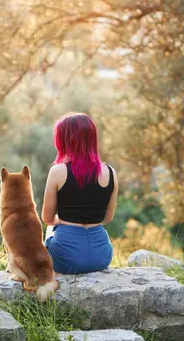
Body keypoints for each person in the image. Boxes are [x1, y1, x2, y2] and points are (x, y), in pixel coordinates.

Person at [41, 112, 118, 274]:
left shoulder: (57, 171)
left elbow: (47, 219)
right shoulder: (111, 173)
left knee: (51, 229)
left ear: (63, 141)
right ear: (92, 139)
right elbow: (108, 218)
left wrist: (67, 224)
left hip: (65, 259)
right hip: (101, 257)